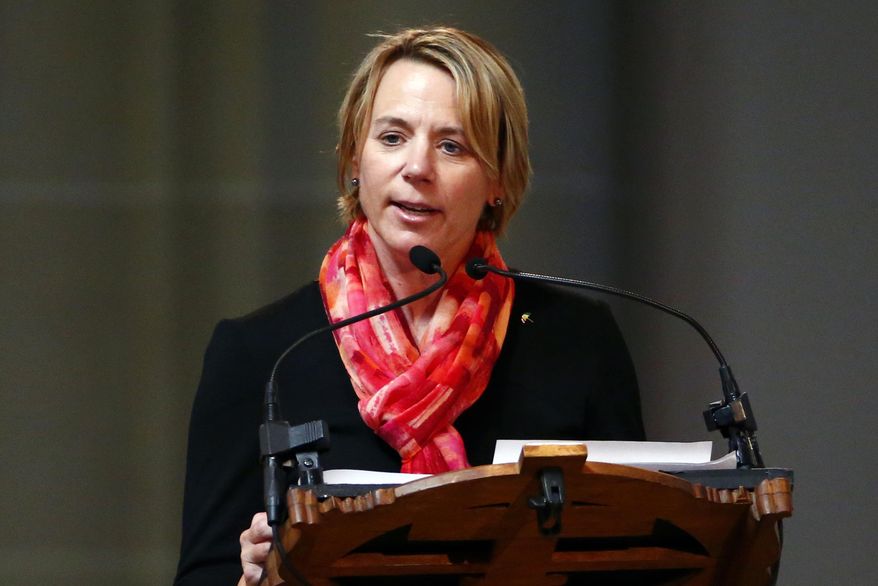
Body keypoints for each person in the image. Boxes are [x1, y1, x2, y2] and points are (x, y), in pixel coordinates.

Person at [174, 27, 645, 586]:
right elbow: (204, 572)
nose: (417, 166)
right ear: (355, 158)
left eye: (452, 146)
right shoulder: (263, 354)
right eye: (392, 137)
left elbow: (637, 556)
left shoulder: (576, 340)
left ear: (497, 179)